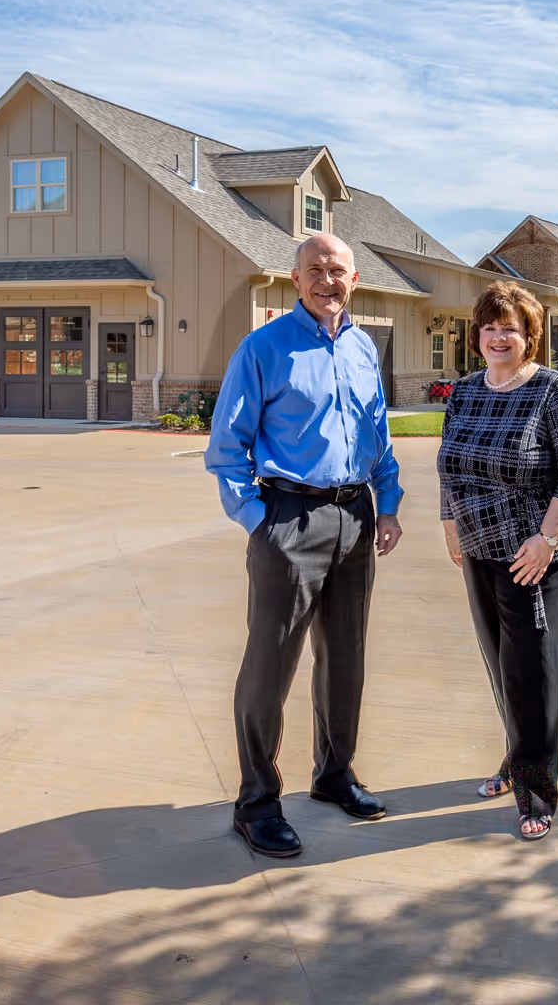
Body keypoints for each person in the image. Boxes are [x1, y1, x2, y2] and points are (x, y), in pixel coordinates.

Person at [205, 233, 404, 859]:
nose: (327, 279)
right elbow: (226, 445)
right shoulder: (263, 348)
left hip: (356, 516)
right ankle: (257, 801)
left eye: (337, 270)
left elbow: (379, 430)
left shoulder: (364, 346)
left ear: (353, 278)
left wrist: (389, 502)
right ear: (296, 280)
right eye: (315, 270)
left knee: (345, 658)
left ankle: (333, 774)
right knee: (271, 665)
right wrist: (259, 519)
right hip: (290, 517)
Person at [438, 282, 558, 841]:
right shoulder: (464, 393)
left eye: (510, 328)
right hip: (480, 546)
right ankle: (517, 755)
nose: (498, 337)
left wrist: (548, 536)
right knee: (501, 662)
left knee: (533, 671)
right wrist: (450, 522)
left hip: (537, 553)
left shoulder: (553, 391)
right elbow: (450, 465)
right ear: (476, 335)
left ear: (530, 336)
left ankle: (537, 790)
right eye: (489, 327)